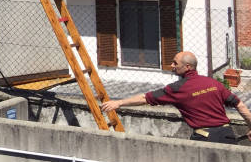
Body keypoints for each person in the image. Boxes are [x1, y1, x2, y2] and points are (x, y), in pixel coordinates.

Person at [101, 51, 251, 143]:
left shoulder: (177, 89)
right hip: (228, 135)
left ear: (187, 67)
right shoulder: (214, 83)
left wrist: (119, 103)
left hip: (205, 138)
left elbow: (145, 98)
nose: (172, 65)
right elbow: (241, 105)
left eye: (175, 63)